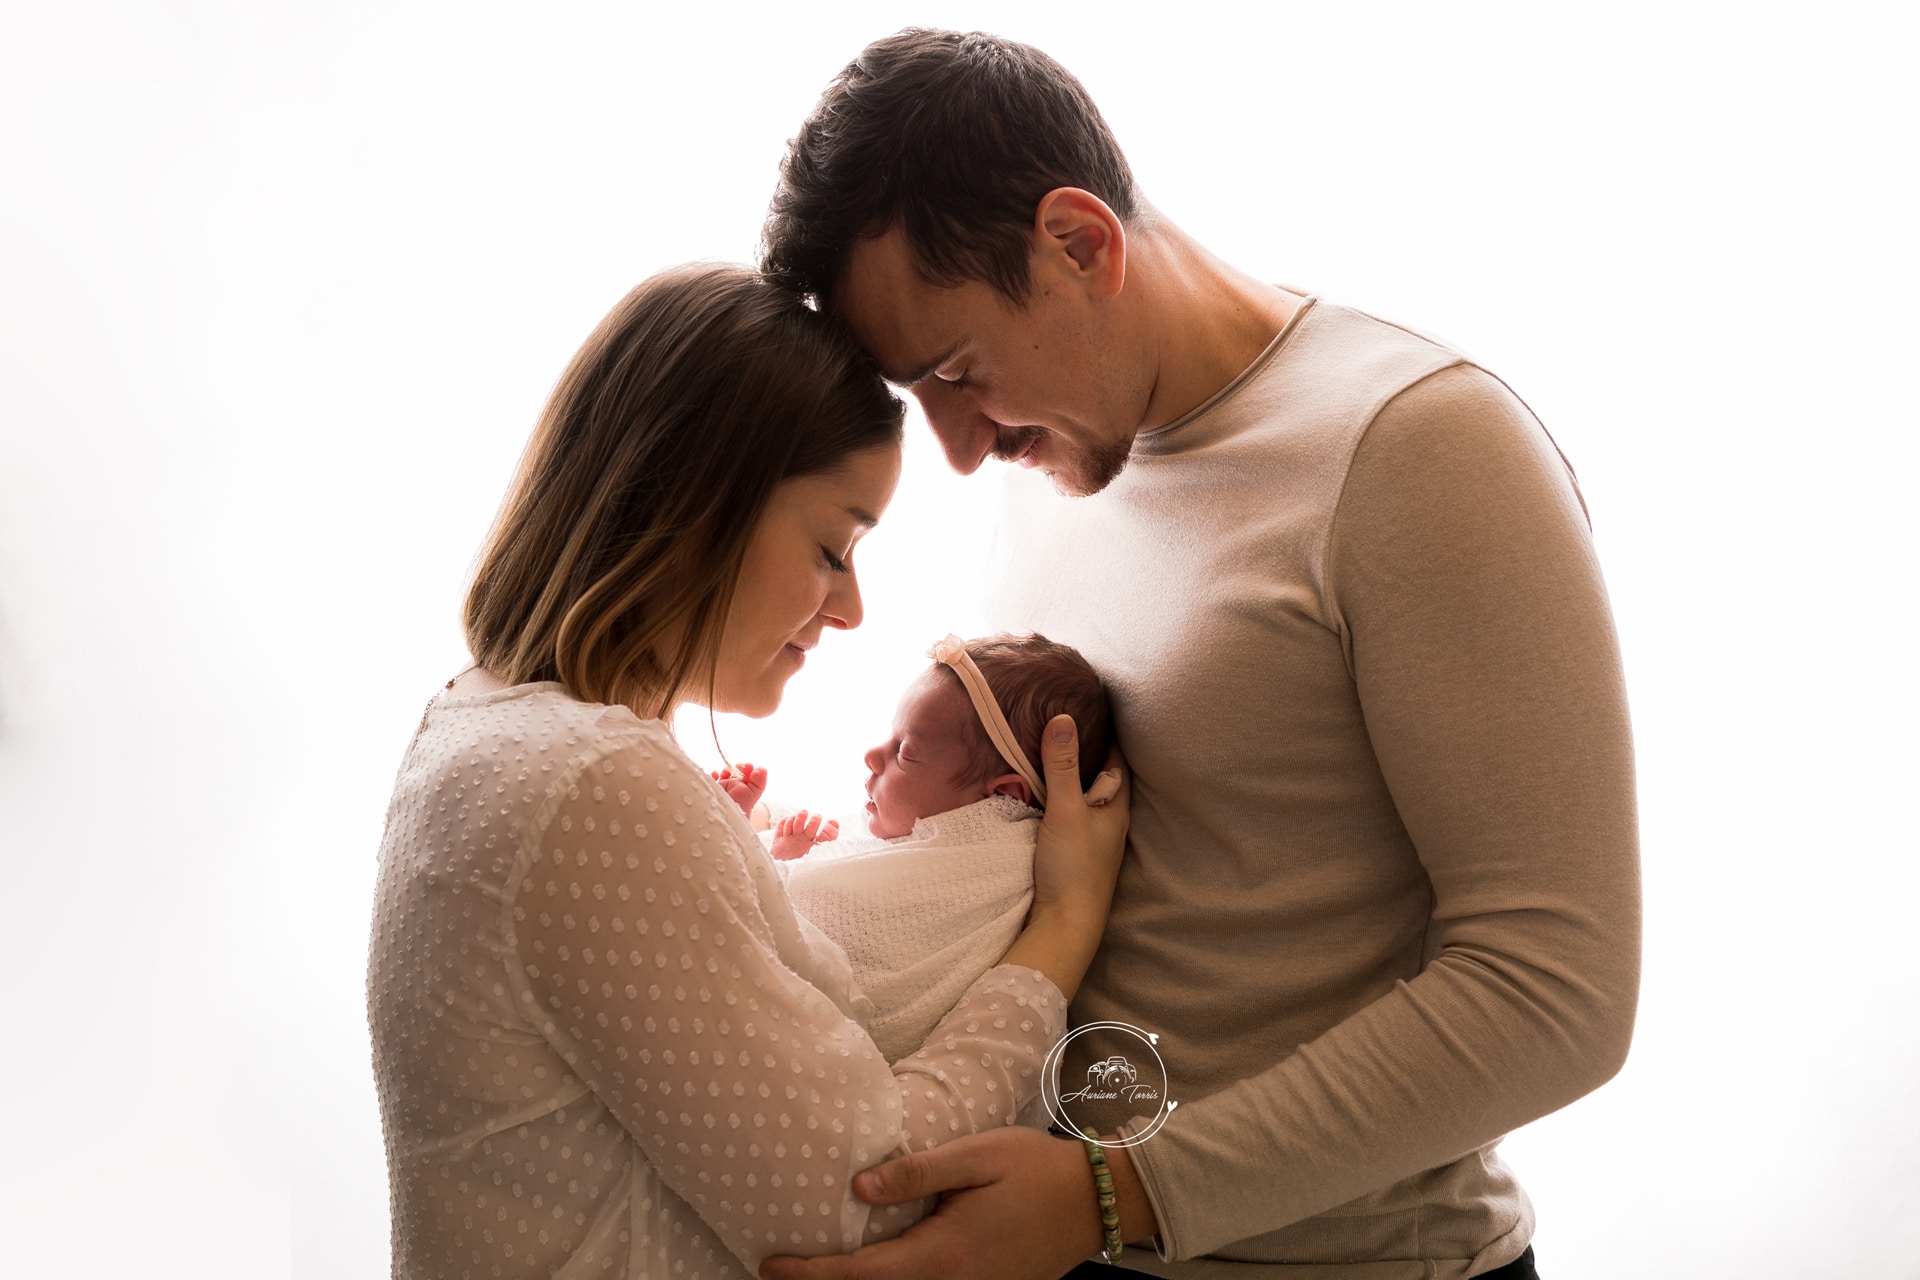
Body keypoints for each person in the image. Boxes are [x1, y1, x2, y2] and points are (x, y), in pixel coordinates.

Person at [756, 28, 1640, 1280]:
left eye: (960, 369)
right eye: (920, 392)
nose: (956, 449)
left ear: (1079, 242)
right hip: (1060, 1239)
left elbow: (1558, 989)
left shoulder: (1421, 451)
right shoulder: (1047, 458)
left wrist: (1120, 1194)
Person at [365, 262, 1131, 1280]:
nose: (851, 606)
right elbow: (868, 1198)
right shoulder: (593, 787)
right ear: (697, 504)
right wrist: (1061, 931)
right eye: (831, 546)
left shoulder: (478, 721)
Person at [715, 632, 1115, 1062]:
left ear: (1002, 800)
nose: (872, 754)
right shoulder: (910, 839)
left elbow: (794, 933)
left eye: (904, 752)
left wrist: (763, 854)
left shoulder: (976, 872)